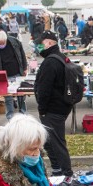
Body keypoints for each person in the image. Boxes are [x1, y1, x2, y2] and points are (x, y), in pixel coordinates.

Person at [33, 30, 73, 177]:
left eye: (41, 44)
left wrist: (42, 109)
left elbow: (44, 89)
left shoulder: (50, 62)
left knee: (57, 143)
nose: (39, 47)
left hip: (52, 109)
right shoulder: (61, 58)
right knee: (49, 142)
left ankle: (67, 175)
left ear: (49, 43)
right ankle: (57, 170)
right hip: (61, 107)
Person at [0, 30, 28, 120]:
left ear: (6, 39)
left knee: (21, 95)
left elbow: (22, 56)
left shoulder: (15, 43)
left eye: (2, 43)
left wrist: (24, 68)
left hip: (17, 73)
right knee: (8, 97)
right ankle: (10, 117)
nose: (0, 44)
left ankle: (23, 115)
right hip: (4, 76)